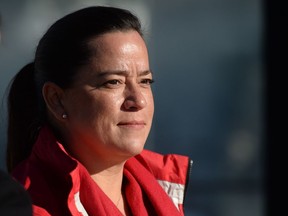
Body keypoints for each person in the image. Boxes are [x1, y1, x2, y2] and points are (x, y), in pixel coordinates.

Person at [6, 6, 192, 216]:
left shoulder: (161, 191)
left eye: (145, 81)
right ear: (56, 100)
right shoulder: (27, 208)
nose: (138, 100)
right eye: (113, 82)